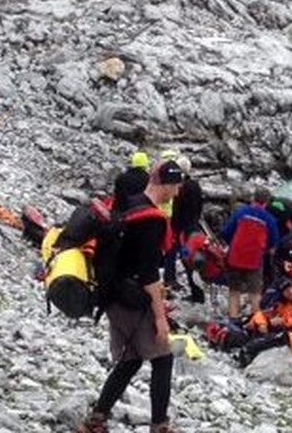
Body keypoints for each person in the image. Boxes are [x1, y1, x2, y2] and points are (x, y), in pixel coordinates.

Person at [81, 160, 184, 433]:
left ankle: (96, 421)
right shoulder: (152, 222)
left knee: (131, 359)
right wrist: (161, 317)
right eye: (175, 187)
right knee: (163, 358)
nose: (176, 194)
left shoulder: (128, 203)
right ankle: (160, 425)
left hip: (110, 292)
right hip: (132, 299)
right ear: (167, 185)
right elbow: (149, 273)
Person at [222, 188, 280, 320]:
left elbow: (226, 232)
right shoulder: (269, 219)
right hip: (254, 260)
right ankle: (256, 320)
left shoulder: (241, 212)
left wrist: (233, 245)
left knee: (234, 290)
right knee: (254, 292)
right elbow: (273, 243)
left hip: (235, 257)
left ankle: (233, 318)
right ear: (266, 202)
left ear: (253, 198)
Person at [166, 155, 204, 301]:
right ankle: (197, 292)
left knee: (187, 260)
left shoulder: (181, 188)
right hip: (194, 227)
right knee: (194, 260)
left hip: (183, 230)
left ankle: (196, 294)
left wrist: (175, 227)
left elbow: (177, 210)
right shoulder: (195, 185)